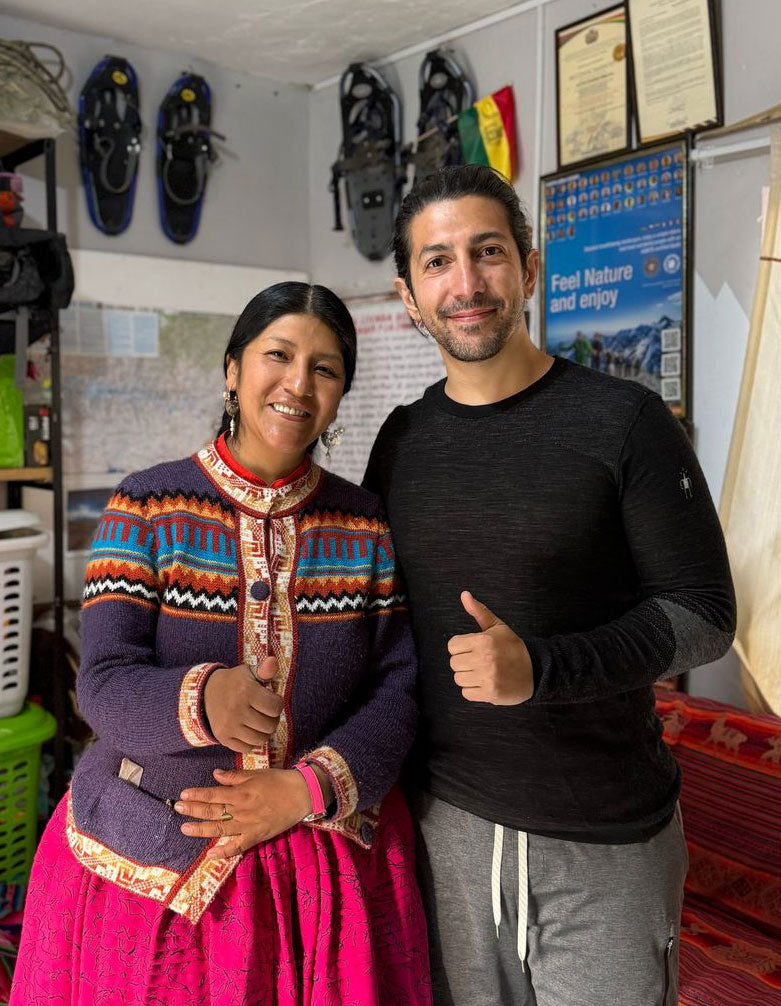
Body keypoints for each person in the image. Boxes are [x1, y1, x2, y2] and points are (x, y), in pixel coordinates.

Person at [363, 165, 736, 1006]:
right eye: (437, 262)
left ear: (529, 270)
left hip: (603, 834)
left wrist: (542, 669)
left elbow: (706, 616)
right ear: (408, 296)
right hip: (442, 828)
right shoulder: (401, 441)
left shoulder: (624, 420)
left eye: (488, 252)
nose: (465, 283)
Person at [12, 282, 431, 1006]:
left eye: (325, 369)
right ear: (233, 369)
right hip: (151, 870)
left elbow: (395, 691)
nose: (298, 384)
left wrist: (301, 790)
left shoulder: (363, 525)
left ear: (338, 397)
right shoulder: (146, 505)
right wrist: (205, 699)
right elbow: (103, 683)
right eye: (278, 355)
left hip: (321, 870)